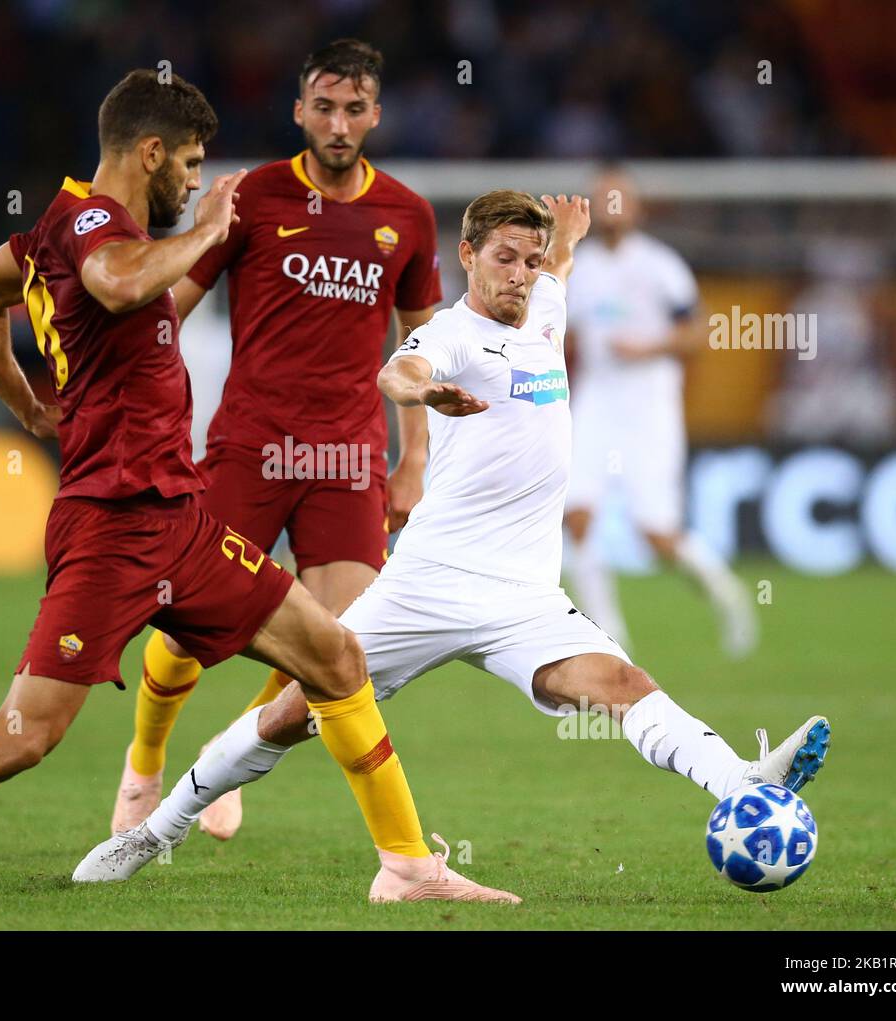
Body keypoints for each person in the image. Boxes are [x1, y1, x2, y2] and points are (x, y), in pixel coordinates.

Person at [0, 70, 515, 906]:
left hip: (178, 517)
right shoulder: (92, 224)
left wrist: (29, 402)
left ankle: (408, 867)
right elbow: (114, 281)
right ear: (150, 153)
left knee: (336, 655)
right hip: (110, 527)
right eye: (187, 162)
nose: (192, 179)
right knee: (20, 738)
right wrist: (210, 228)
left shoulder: (47, 233)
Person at [74, 190, 829, 885]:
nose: (521, 275)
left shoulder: (548, 303)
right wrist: (425, 389)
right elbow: (397, 371)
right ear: (466, 255)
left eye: (530, 262)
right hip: (425, 585)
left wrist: (560, 243)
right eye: (504, 257)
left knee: (624, 686)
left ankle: (744, 781)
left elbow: (555, 271)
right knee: (284, 720)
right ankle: (151, 834)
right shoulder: (453, 335)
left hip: (525, 598)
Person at [111, 39, 445, 842]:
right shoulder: (251, 197)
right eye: (323, 106)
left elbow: (419, 346)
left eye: (354, 107)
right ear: (299, 110)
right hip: (251, 444)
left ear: (375, 114)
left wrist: (415, 458)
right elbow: (171, 310)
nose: (338, 122)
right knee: (192, 627)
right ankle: (145, 761)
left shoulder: (407, 216)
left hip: (348, 457)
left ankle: (224, 759)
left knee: (335, 640)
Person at [563, 166, 757, 657]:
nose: (612, 208)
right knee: (577, 515)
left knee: (656, 535)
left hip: (649, 410)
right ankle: (608, 639)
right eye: (603, 199)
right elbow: (562, 333)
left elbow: (697, 332)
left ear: (636, 208)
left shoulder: (660, 265)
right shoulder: (576, 267)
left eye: (619, 199)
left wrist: (647, 349)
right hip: (596, 403)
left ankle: (728, 596)